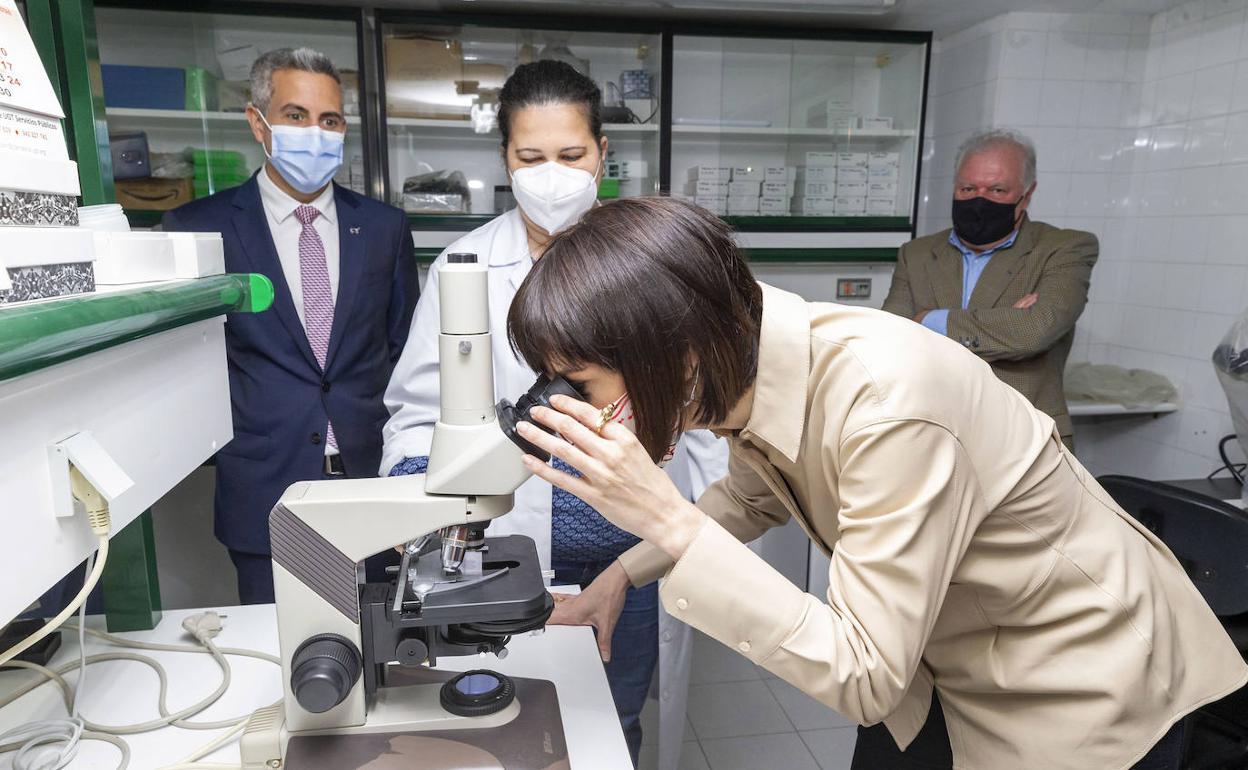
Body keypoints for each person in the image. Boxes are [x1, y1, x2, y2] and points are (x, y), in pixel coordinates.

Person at [504, 196, 1248, 770]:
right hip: (944, 658)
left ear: (676, 351)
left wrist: (670, 521)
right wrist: (618, 579)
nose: (577, 408)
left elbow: (863, 676)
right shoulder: (749, 370)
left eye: (582, 384)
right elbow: (750, 495)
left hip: (1080, 681)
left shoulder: (888, 405)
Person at [380, 61, 725, 768]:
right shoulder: (462, 266)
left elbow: (708, 423)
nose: (552, 174)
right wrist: (430, 491)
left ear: (603, 151)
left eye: (570, 155)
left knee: (614, 723)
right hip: (509, 555)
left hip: (634, 562)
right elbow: (415, 415)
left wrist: (700, 533)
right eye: (529, 157)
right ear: (505, 160)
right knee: (508, 723)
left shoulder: (653, 264)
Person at [163, 48, 418, 604]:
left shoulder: (382, 227)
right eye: (296, 116)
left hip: (371, 485)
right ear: (259, 123)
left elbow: (403, 353)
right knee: (285, 658)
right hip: (267, 487)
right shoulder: (199, 229)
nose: (314, 132)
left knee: (379, 652)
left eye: (329, 120)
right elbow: (189, 369)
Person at [882, 128, 1096, 449]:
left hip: (1024, 440)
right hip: (931, 436)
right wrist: (1005, 322)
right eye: (967, 188)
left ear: (1027, 194)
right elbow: (890, 339)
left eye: (997, 190)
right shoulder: (917, 253)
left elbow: (1034, 331)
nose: (979, 200)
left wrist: (927, 321)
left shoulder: (1064, 248)